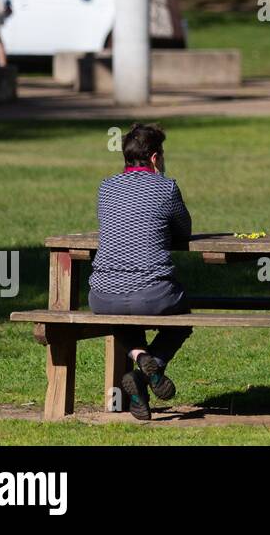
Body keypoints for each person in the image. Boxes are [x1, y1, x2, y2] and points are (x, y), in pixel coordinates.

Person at [88, 123, 193, 421]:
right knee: (183, 318)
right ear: (156, 158)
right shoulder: (166, 187)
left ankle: (139, 360)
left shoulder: (105, 187)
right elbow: (184, 230)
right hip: (153, 294)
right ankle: (151, 367)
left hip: (102, 295)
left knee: (118, 309)